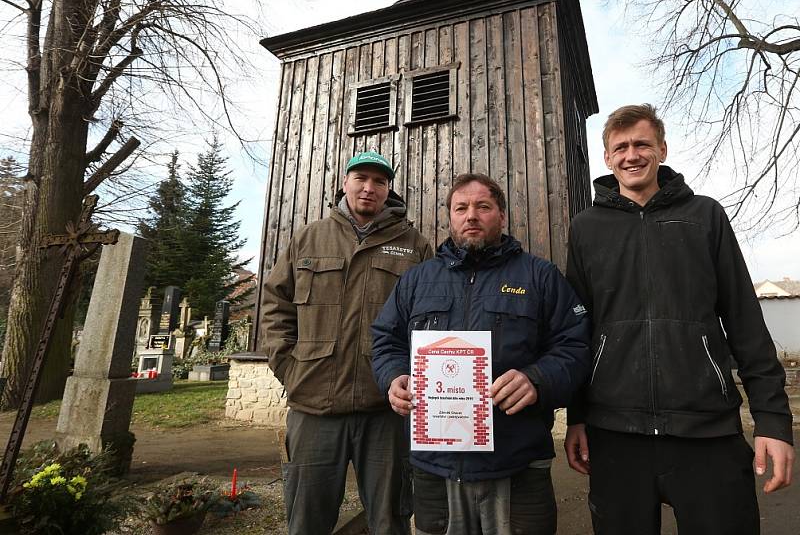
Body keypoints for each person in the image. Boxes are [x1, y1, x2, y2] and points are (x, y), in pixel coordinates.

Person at [564, 104, 795, 534]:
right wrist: (577, 415)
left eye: (642, 144)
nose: (631, 155)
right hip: (616, 433)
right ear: (608, 158)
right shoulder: (585, 228)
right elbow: (579, 330)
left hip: (706, 430)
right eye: (621, 147)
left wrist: (773, 421)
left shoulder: (705, 216)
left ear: (662, 149)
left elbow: (744, 319)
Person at [372, 173, 591, 535]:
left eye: (483, 206)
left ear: (502, 216)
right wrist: (393, 377)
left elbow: (575, 344)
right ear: (450, 218)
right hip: (434, 465)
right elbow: (385, 339)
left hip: (516, 459)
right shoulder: (416, 281)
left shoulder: (540, 276)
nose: (471, 215)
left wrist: (538, 379)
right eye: (461, 208)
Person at [261, 151, 433, 535]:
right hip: (313, 407)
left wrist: (408, 379)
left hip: (385, 411)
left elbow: (430, 321)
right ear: (345, 183)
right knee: (307, 519)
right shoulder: (309, 237)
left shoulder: (415, 246)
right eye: (361, 178)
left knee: (390, 521)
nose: (369, 188)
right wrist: (290, 368)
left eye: (379, 182)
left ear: (389, 190)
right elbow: (275, 305)